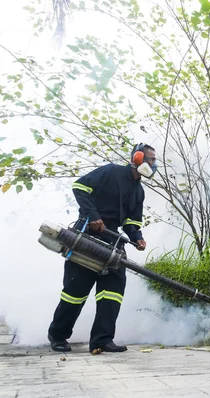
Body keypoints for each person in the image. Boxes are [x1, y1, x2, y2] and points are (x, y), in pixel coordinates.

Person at [47, 143, 157, 353]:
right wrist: (93, 216)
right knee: (75, 292)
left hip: (112, 241)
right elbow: (80, 187)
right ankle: (58, 335)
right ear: (137, 158)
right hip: (86, 237)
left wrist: (138, 238)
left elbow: (132, 222)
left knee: (112, 292)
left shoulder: (138, 191)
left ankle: (102, 340)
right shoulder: (110, 171)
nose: (153, 164)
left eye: (154, 160)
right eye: (150, 159)